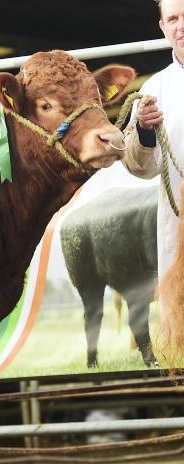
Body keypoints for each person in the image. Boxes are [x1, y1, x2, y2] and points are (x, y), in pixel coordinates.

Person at [122, 0, 184, 280]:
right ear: (163, 27)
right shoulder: (153, 90)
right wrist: (145, 132)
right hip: (178, 222)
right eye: (172, 19)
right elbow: (139, 167)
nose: (181, 26)